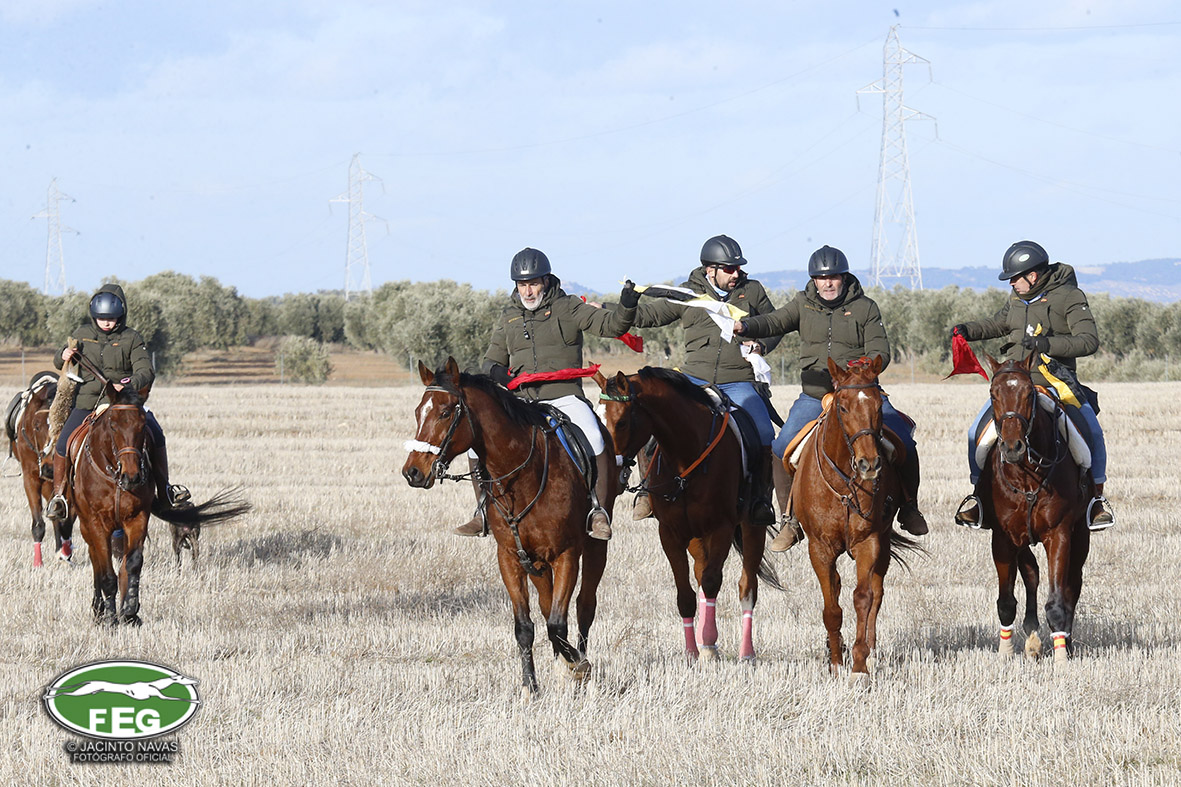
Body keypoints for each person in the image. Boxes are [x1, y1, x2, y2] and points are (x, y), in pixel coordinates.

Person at [735, 245, 929, 550]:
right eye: (821, 278)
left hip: (859, 394)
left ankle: (909, 508)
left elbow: (880, 349)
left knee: (904, 440)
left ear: (844, 277)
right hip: (816, 395)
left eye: (833, 277)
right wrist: (746, 326)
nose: (827, 283)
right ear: (813, 280)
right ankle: (789, 521)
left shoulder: (865, 308)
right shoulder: (802, 304)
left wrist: (861, 370)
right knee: (781, 447)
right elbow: (774, 322)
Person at [454, 247, 639, 540]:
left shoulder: (569, 307)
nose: (527, 292)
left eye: (533, 284)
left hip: (564, 396)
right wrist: (499, 374)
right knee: (476, 446)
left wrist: (626, 306)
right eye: (522, 285)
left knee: (594, 436)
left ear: (546, 281)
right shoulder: (509, 316)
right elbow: (490, 361)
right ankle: (482, 513)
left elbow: (611, 325)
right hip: (521, 402)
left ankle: (598, 511)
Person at [951, 240, 1112, 530]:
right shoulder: (1017, 297)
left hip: (1055, 381)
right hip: (1015, 385)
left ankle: (1096, 501)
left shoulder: (1069, 296)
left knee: (1092, 432)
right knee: (976, 433)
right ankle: (979, 498)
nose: (1011, 283)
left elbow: (1089, 341)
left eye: (1014, 278)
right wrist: (967, 330)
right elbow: (998, 324)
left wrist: (1046, 344)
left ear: (1033, 275)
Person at [623, 234, 781, 527]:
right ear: (711, 270)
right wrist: (624, 306)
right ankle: (647, 489)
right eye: (729, 269)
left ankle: (759, 499)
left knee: (763, 434)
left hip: (739, 380)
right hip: (694, 380)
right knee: (655, 421)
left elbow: (775, 324)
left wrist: (762, 345)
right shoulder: (688, 294)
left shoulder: (753, 291)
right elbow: (650, 317)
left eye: (738, 268)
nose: (736, 274)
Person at [46, 283, 190, 522]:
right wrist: (62, 355)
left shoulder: (131, 338)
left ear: (121, 316)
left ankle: (166, 489)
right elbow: (59, 360)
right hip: (87, 402)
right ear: (94, 316)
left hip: (122, 403)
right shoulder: (82, 334)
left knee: (156, 434)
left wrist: (130, 383)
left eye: (111, 319)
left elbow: (146, 370)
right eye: (101, 318)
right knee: (63, 444)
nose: (106, 323)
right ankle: (59, 497)